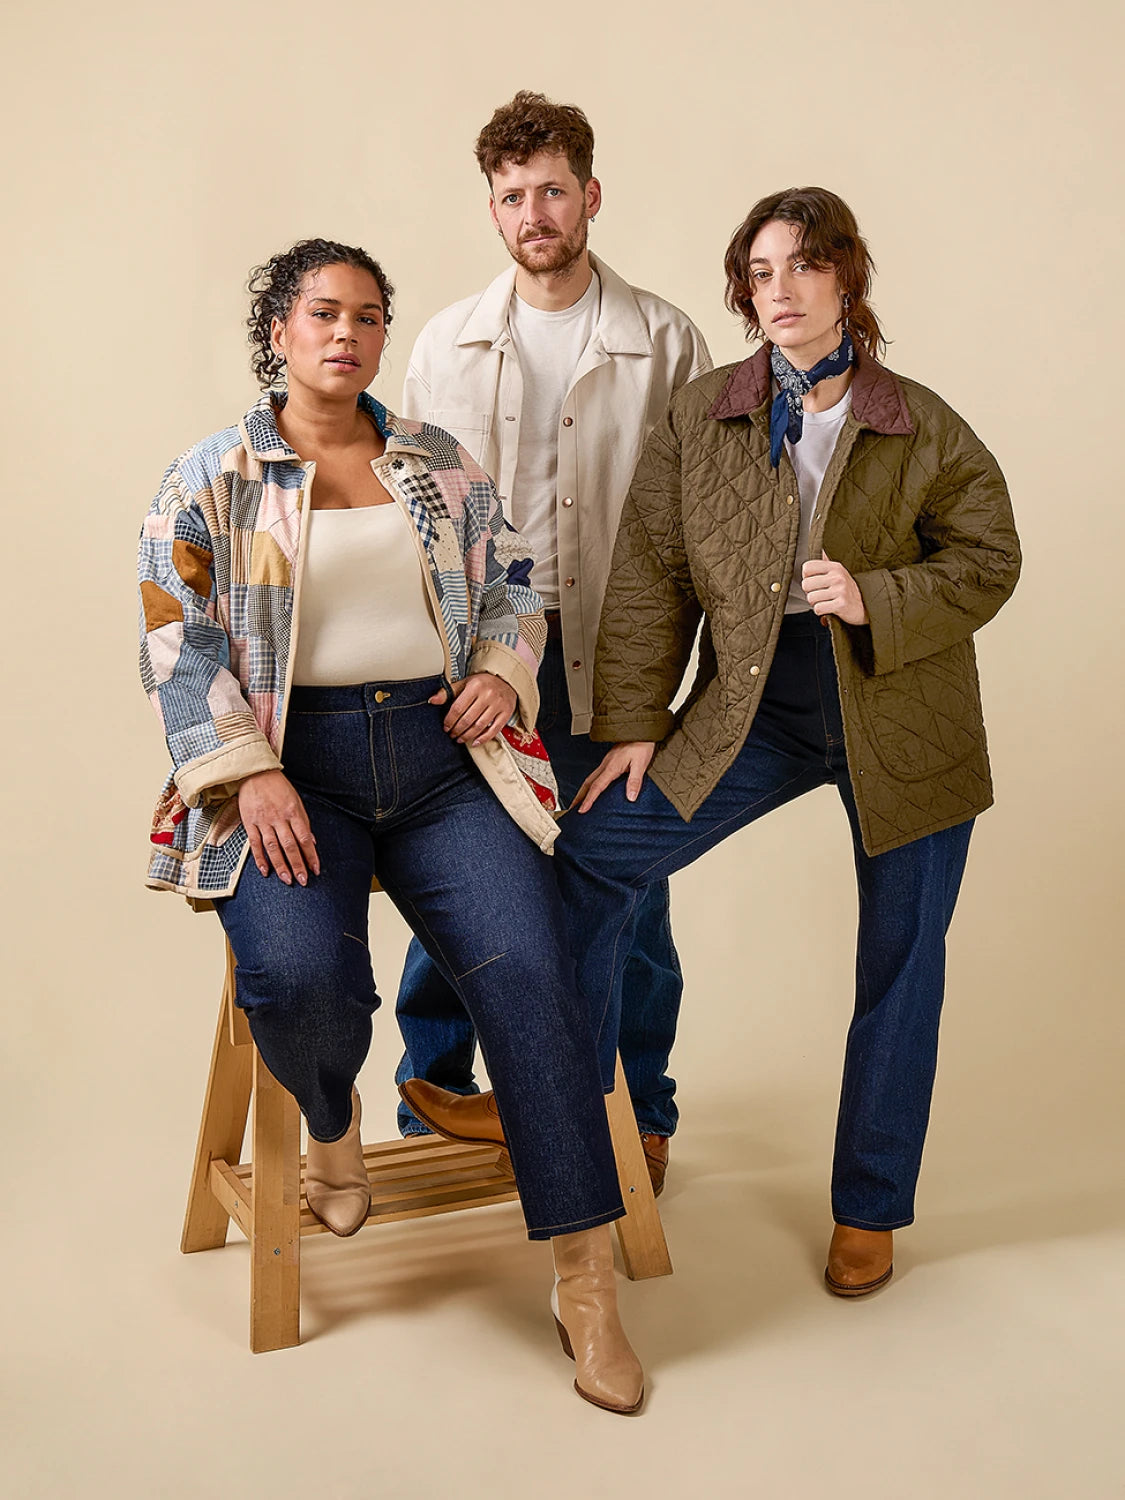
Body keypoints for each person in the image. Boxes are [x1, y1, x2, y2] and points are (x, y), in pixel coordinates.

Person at [425, 186, 1021, 1295]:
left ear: (847, 277)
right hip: (758, 704)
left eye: (803, 265)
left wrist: (878, 596)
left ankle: (870, 1206)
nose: (779, 290)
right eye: (759, 271)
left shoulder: (918, 419)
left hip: (904, 708)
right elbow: (650, 574)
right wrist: (635, 724)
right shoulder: (705, 413)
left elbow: (990, 557)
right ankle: (559, 1105)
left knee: (902, 960)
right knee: (590, 857)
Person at [137, 238, 643, 1413]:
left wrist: (503, 673)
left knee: (534, 972)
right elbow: (176, 640)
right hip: (291, 767)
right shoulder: (211, 477)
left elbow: (514, 580)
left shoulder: (435, 461)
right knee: (298, 977)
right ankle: (332, 1121)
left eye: (367, 317)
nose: (346, 334)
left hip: (440, 761)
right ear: (278, 332)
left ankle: (586, 1281)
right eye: (323, 313)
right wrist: (249, 774)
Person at [394, 91, 712, 1192]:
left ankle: (640, 1111)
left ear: (591, 196)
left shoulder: (665, 339)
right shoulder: (443, 342)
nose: (533, 213)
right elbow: (414, 514)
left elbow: (694, 519)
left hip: (616, 650)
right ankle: (434, 1092)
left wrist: (672, 678)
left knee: (628, 883)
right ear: (492, 209)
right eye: (511, 196)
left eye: (552, 191)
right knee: (455, 872)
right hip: (474, 653)